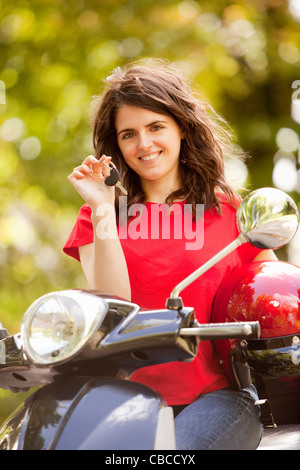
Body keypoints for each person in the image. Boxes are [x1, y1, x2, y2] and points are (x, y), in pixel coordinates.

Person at [63, 59, 277, 450]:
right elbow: (117, 307)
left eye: (156, 127)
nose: (144, 144)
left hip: (219, 398)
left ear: (182, 128)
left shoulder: (229, 211)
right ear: (117, 146)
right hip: (126, 401)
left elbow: (271, 302)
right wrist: (102, 207)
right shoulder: (99, 214)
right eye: (129, 134)